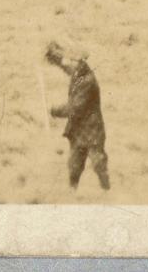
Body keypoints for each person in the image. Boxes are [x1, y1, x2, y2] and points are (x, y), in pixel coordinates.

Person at [45, 41, 108, 192]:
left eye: (72, 60)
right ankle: (72, 191)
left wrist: (54, 110)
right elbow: (67, 68)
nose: (69, 63)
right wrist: (55, 59)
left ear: (79, 62)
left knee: (98, 161)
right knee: (75, 163)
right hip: (79, 128)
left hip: (92, 128)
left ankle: (106, 189)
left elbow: (75, 108)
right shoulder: (79, 72)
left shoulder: (87, 81)